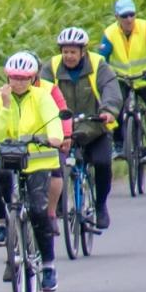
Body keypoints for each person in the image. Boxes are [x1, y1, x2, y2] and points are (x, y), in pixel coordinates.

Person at [0, 52, 65, 292]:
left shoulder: (42, 97)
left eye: (24, 78)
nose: (18, 83)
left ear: (33, 78)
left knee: (39, 211)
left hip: (38, 161)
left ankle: (49, 266)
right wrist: (7, 107)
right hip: (9, 159)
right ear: (7, 77)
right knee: (0, 186)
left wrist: (54, 138)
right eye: (14, 78)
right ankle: (6, 228)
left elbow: (53, 120)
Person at [45, 27, 123, 230]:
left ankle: (100, 205)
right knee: (55, 167)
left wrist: (108, 110)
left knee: (103, 163)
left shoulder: (98, 64)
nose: (68, 56)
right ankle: (60, 205)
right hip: (63, 130)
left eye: (73, 52)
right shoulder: (51, 67)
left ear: (83, 52)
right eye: (65, 51)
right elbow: (40, 95)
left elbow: (111, 89)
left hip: (95, 127)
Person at [97, 0, 146, 167]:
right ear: (117, 17)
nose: (129, 19)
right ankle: (119, 143)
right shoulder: (110, 33)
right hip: (122, 78)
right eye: (124, 16)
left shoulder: (144, 27)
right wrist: (103, 72)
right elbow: (101, 58)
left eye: (131, 15)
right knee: (115, 105)